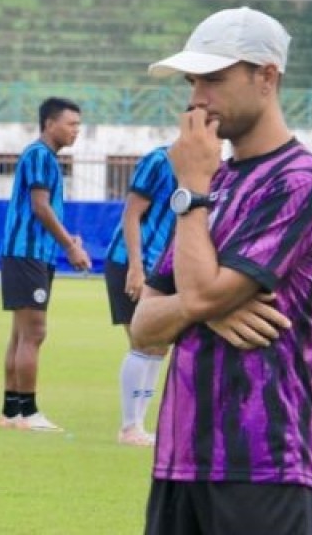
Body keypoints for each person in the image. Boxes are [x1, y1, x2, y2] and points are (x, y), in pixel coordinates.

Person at [130, 6, 312, 534]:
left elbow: (197, 297)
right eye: (192, 80)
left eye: (215, 79)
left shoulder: (298, 183)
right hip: (181, 454)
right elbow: (144, 326)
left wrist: (197, 302)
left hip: (263, 456)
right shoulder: (210, 185)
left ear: (266, 77)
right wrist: (202, 308)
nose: (197, 97)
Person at [0, 97, 92, 433]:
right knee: (34, 333)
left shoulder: (44, 157)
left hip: (30, 253)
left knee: (20, 334)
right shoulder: (39, 155)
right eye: (71, 124)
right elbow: (40, 206)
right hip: (28, 253)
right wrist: (69, 246)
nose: (76, 131)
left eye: (79, 125)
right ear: (50, 124)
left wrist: (66, 240)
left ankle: (11, 410)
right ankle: (28, 412)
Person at [103, 145, 175, 447]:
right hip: (133, 263)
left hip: (167, 267)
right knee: (142, 342)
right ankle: (129, 426)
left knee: (159, 347)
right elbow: (132, 212)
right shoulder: (159, 160)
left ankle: (140, 427)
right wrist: (135, 267)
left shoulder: (213, 167)